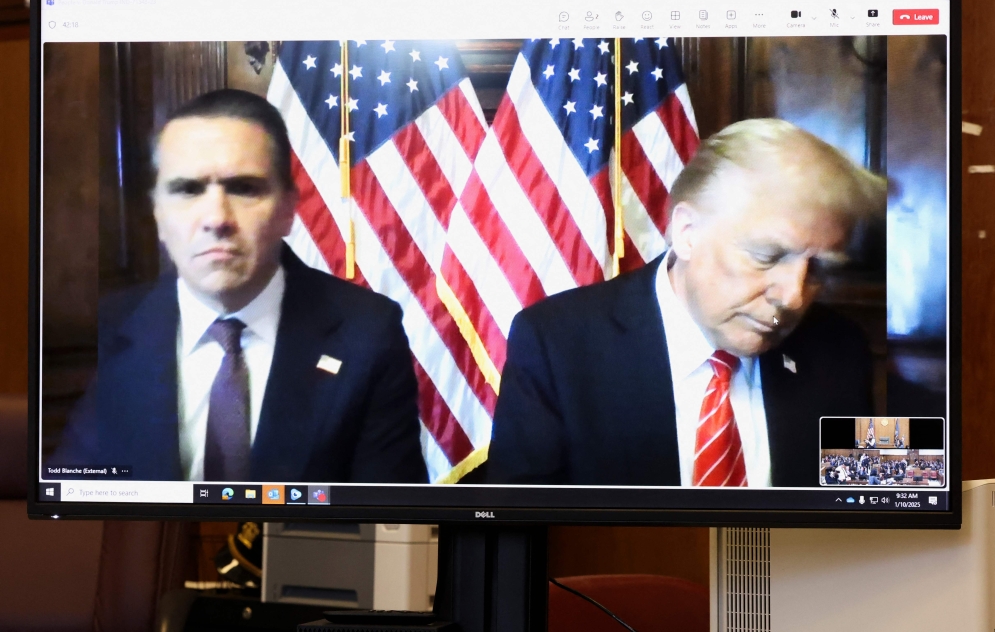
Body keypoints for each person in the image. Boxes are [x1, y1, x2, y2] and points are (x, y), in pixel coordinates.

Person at [51, 89, 428, 484]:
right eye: (188, 189)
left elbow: (388, 523)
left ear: (287, 210)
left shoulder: (366, 333)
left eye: (244, 188)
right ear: (158, 215)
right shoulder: (114, 325)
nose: (216, 218)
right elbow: (75, 497)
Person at [486, 118, 885, 487]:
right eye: (766, 256)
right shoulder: (557, 344)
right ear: (687, 232)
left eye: (817, 269)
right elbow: (520, 528)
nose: (794, 296)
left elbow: (871, 518)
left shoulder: (839, 350)